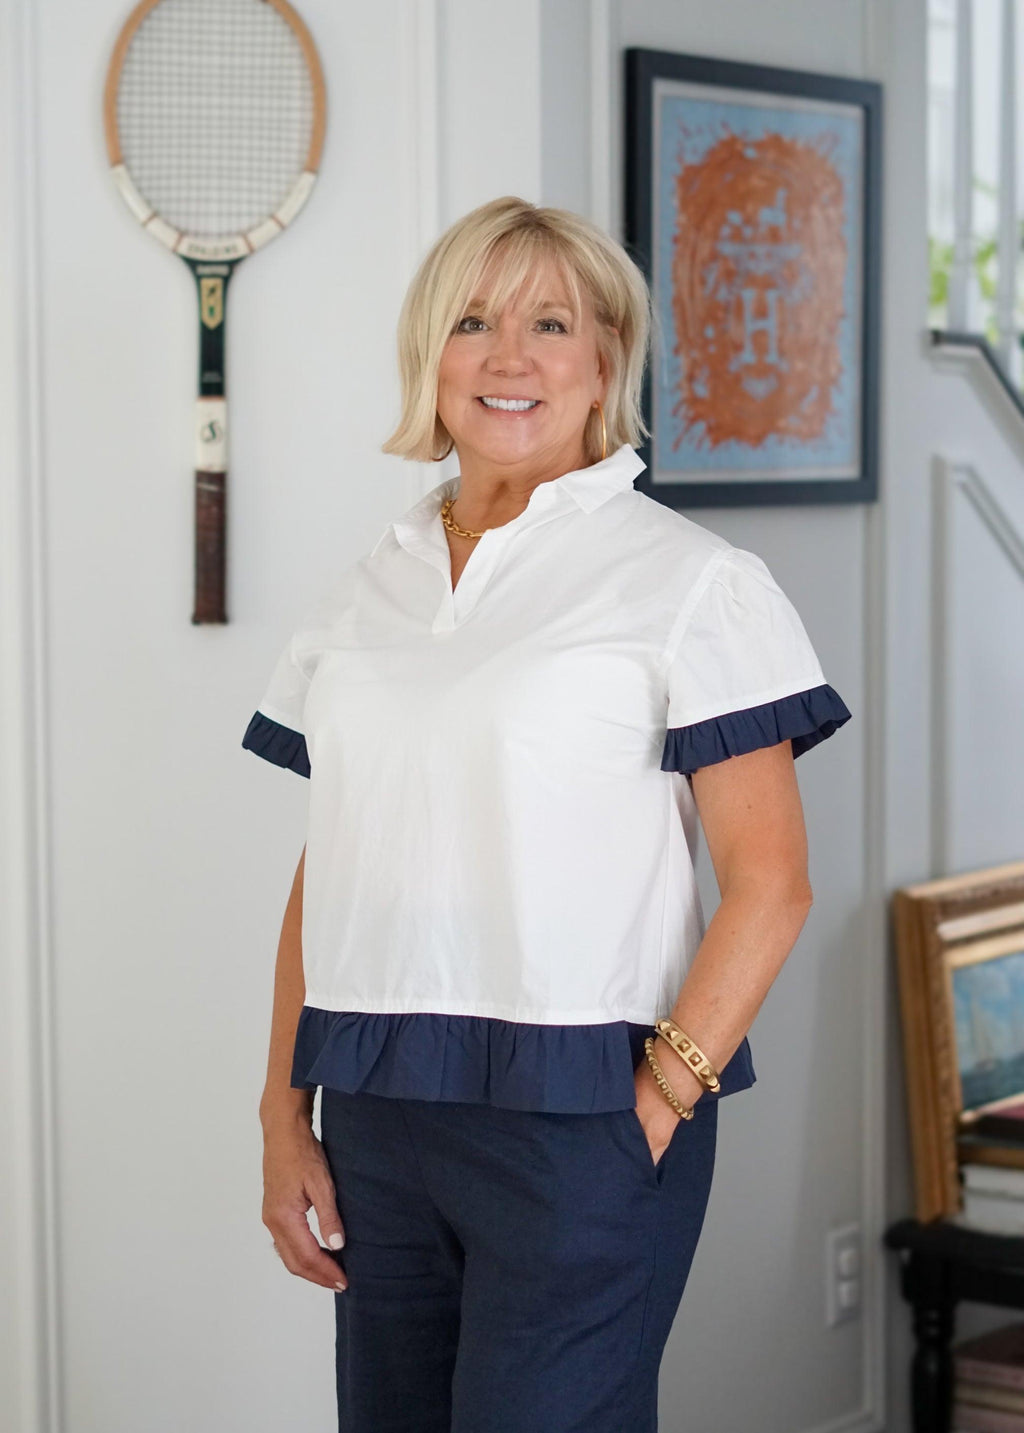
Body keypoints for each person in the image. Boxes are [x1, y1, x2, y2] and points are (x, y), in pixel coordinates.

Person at [242, 194, 852, 1432]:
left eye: (551, 324)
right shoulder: (366, 589)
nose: (507, 356)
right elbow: (334, 861)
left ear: (605, 361)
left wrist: (652, 1109)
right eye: (472, 322)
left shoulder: (693, 582)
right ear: (430, 354)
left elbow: (771, 880)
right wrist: (280, 1110)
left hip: (581, 1117)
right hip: (374, 1118)